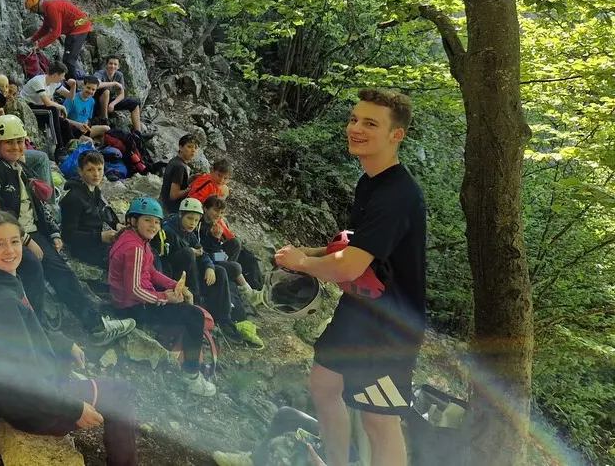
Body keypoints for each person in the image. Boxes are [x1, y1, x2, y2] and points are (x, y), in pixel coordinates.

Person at [274, 88, 427, 466]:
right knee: (324, 384)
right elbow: (359, 247)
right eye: (354, 119)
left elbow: (349, 266)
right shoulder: (370, 182)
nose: (356, 128)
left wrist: (302, 263)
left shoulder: (397, 195)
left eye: (370, 123)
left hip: (391, 327)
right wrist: (309, 253)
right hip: (361, 308)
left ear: (396, 135)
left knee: (380, 420)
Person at [0, 211, 138, 466]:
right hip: (28, 408)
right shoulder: (1, 302)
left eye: (14, 241)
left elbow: (29, 330)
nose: (10, 250)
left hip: (21, 396)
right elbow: (21, 379)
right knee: (121, 394)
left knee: (65, 357)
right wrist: (74, 408)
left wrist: (64, 343)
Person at [0, 115, 136, 344]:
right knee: (42, 270)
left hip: (29, 232)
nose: (16, 147)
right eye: (9, 142)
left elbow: (39, 205)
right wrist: (27, 241)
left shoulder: (21, 168)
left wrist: (54, 233)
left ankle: (88, 325)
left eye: (19, 141)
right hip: (10, 237)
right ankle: (62, 330)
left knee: (60, 271)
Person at [107, 197, 217, 397]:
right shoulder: (135, 248)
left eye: (157, 222)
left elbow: (150, 271)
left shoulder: (137, 240)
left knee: (190, 311)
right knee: (195, 316)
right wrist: (165, 298)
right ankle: (191, 376)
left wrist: (175, 285)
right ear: (134, 220)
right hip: (133, 307)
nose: (154, 226)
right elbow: (134, 290)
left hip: (138, 301)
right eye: (148, 220)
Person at [162, 198, 262, 348]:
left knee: (223, 267)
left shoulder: (200, 229)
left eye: (195, 220)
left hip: (208, 259)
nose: (192, 223)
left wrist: (210, 265)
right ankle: (199, 302)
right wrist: (196, 252)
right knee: (233, 267)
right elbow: (173, 254)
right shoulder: (170, 229)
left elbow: (204, 251)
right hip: (177, 272)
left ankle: (225, 319)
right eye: (215, 210)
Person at [58, 150, 118, 267]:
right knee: (125, 256)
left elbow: (102, 210)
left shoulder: (94, 189)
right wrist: (100, 236)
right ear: (80, 171)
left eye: (99, 169)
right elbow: (68, 235)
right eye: (90, 170)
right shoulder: (74, 198)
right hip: (83, 249)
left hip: (96, 242)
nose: (96, 174)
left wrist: (117, 225)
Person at [201, 196, 265, 296]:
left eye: (222, 212)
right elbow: (203, 249)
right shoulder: (199, 223)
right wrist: (215, 238)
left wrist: (217, 240)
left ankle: (228, 273)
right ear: (205, 208)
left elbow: (216, 248)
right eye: (216, 210)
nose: (219, 215)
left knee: (235, 243)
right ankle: (246, 290)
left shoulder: (213, 223)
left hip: (213, 255)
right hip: (206, 257)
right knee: (236, 266)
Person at [23, 0, 92, 80]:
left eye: (32, 10)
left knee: (69, 60)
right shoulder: (47, 8)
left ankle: (73, 83)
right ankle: (74, 78)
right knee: (67, 58)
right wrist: (32, 39)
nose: (33, 12)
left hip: (80, 29)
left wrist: (39, 46)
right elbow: (45, 28)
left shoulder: (52, 8)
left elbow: (56, 33)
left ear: (36, 6)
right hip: (74, 29)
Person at [19, 61, 74, 154]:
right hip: (27, 107)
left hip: (39, 107)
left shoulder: (54, 83)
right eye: (62, 76)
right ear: (55, 75)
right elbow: (47, 102)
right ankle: (59, 147)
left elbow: (70, 96)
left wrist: (73, 86)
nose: (63, 78)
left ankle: (71, 145)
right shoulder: (38, 81)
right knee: (52, 111)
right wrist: (62, 107)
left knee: (63, 122)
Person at [93, 56, 147, 135]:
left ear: (118, 67)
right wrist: (114, 83)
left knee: (134, 103)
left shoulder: (119, 75)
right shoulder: (100, 73)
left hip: (110, 102)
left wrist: (113, 104)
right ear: (106, 65)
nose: (113, 66)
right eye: (110, 63)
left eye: (115, 64)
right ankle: (104, 120)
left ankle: (138, 133)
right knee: (106, 91)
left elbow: (122, 94)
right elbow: (96, 85)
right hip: (98, 102)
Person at [159, 134, 199, 216]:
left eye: (195, 148)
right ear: (180, 147)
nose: (193, 150)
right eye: (189, 147)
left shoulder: (175, 161)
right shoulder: (179, 167)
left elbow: (177, 183)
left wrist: (192, 178)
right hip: (170, 210)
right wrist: (192, 189)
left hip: (163, 203)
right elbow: (174, 195)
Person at [63, 75, 110, 142]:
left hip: (84, 129)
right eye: (88, 88)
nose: (90, 91)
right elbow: (62, 119)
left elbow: (87, 118)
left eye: (93, 89)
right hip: (72, 130)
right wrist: (78, 125)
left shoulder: (92, 101)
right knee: (89, 140)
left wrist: (86, 125)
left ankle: (97, 144)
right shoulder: (72, 98)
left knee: (107, 129)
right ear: (83, 86)